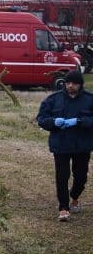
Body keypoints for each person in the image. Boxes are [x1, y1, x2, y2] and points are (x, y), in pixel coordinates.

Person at [36, 70, 93, 221]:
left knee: (81, 177)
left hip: (82, 145)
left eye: (74, 83)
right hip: (60, 144)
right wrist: (53, 122)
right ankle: (63, 208)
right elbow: (41, 118)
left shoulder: (89, 99)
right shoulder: (54, 99)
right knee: (62, 176)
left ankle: (74, 195)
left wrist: (80, 121)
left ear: (80, 84)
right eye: (68, 83)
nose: (70, 86)